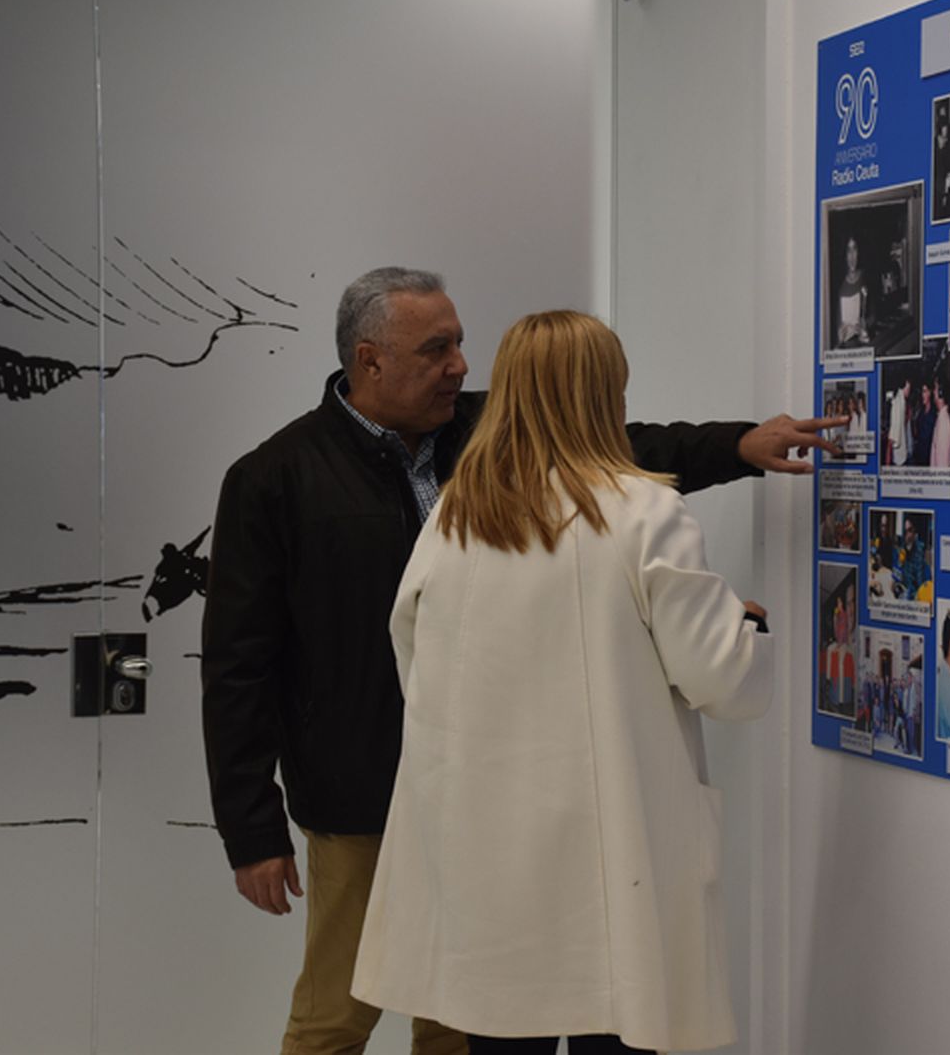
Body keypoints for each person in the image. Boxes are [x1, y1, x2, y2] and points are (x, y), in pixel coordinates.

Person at [201, 268, 838, 1055]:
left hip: (477, 793)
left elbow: (621, 447)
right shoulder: (277, 478)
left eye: (462, 344)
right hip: (363, 792)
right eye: (437, 349)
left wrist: (738, 445)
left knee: (466, 1017)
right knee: (338, 1014)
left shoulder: (469, 470)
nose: (460, 366)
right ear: (370, 360)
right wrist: (252, 829)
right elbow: (237, 665)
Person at [349, 311, 772, 1054]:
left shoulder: (456, 514)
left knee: (503, 1030)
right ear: (605, 393)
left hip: (488, 854)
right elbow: (722, 681)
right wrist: (744, 627)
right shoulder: (644, 511)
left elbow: (413, 657)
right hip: (615, 857)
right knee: (621, 1019)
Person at [835, 235, 872, 346]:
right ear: (844, 254)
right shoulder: (838, 285)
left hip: (863, 344)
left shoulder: (866, 278)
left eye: (854, 249)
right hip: (846, 347)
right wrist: (839, 335)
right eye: (848, 251)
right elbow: (835, 325)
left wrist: (866, 325)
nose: (852, 256)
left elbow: (874, 315)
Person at [930, 377, 950, 468]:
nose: (933, 392)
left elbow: (942, 465)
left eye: (935, 389)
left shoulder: (943, 422)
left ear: (941, 393)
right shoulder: (941, 417)